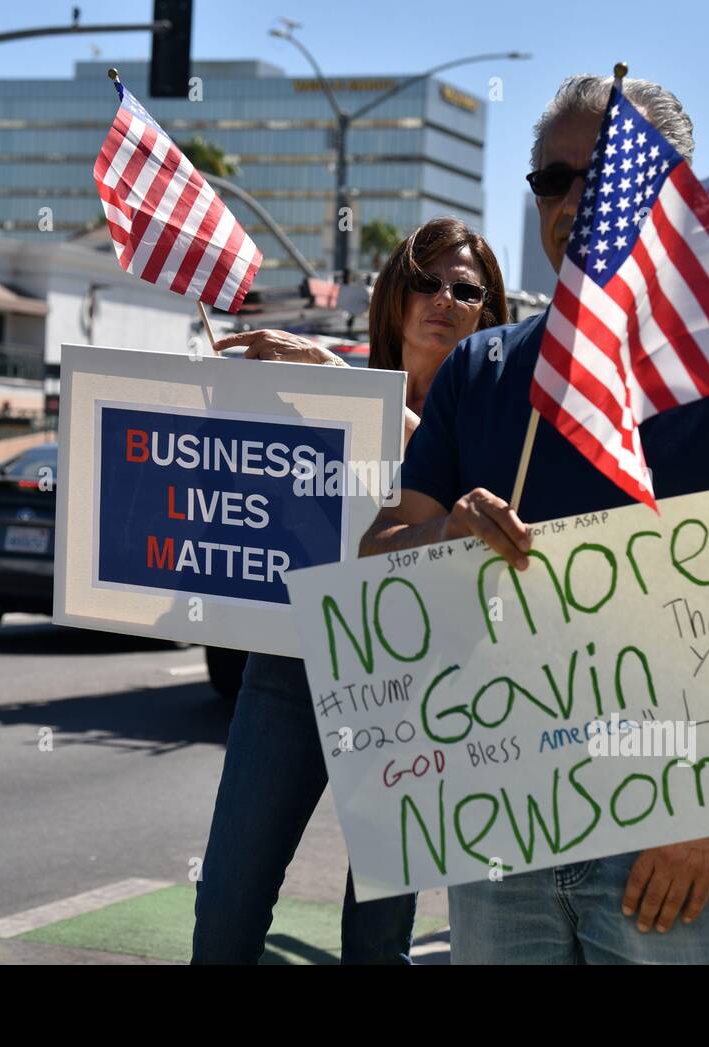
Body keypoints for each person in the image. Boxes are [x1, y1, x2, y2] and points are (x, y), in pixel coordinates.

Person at [359, 74, 709, 965]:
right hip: (500, 827)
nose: (576, 199)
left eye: (607, 172)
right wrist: (445, 535)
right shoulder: (480, 370)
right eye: (553, 178)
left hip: (673, 832)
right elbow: (378, 555)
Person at [191, 217, 509, 964]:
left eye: (466, 290)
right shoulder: (328, 386)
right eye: (426, 280)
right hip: (293, 666)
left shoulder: (497, 419)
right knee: (225, 919)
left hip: (420, 691)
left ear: (488, 314)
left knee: (375, 945)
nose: (443, 299)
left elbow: (437, 467)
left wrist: (328, 380)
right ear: (395, 294)